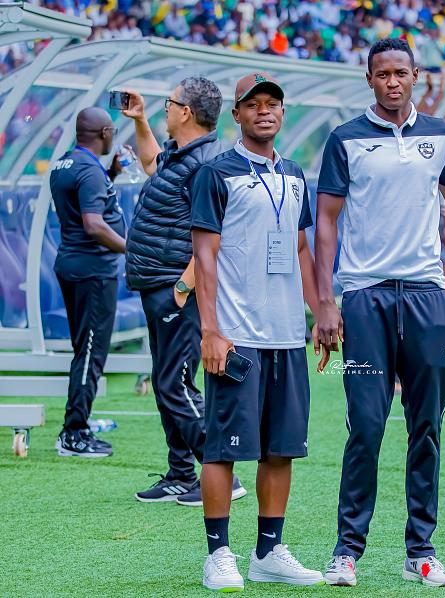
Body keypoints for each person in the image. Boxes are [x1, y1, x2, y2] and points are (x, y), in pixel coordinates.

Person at [315, 39, 445, 588]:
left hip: (427, 295)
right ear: (369, 79)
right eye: (382, 74)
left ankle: (420, 551)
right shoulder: (345, 139)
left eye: (401, 73)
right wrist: (326, 300)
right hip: (365, 296)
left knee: (426, 425)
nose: (392, 82)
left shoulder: (441, 135)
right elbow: (326, 221)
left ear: (415, 76)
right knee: (366, 425)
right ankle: (346, 551)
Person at [191, 72, 329, 591]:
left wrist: (320, 312)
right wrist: (210, 330)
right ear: (237, 115)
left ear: (283, 113)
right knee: (223, 449)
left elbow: (300, 248)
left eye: (272, 104)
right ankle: (218, 554)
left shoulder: (294, 175)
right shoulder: (216, 174)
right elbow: (204, 255)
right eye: (253, 105)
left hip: (287, 335)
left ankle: (268, 553)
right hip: (236, 336)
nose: (264, 111)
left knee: (281, 448)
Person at [123, 78, 246, 506]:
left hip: (176, 291)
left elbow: (216, 233)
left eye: (168, 103)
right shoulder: (181, 154)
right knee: (165, 382)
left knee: (174, 383)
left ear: (186, 112)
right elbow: (150, 162)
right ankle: (180, 473)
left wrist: (182, 286)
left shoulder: (207, 165)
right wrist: (140, 120)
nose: (165, 109)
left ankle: (221, 471)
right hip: (157, 286)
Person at [51, 108, 126, 458]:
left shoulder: (65, 164)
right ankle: (74, 433)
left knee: (85, 349)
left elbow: (81, 195)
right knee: (91, 353)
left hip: (73, 265)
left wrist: (112, 172)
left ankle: (77, 422)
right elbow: (93, 224)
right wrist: (132, 248)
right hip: (93, 272)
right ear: (105, 133)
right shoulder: (88, 171)